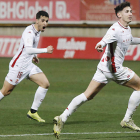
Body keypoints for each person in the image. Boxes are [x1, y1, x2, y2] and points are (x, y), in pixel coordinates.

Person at [53, 1, 140, 139]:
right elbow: (104, 40)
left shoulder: (126, 29)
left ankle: (62, 117)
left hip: (103, 68)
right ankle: (127, 119)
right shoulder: (114, 29)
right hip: (115, 70)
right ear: (119, 15)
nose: (130, 14)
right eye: (127, 11)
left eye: (131, 11)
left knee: (88, 95)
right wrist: (100, 44)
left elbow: (129, 40)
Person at [0, 11, 54, 123]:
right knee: (5, 91)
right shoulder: (29, 32)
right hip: (19, 66)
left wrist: (34, 56)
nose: (45, 23)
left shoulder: (37, 31)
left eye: (47, 21)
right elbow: (28, 49)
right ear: (37, 20)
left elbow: (29, 49)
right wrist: (45, 50)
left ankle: (33, 112)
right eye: (43, 20)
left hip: (28, 65)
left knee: (45, 84)